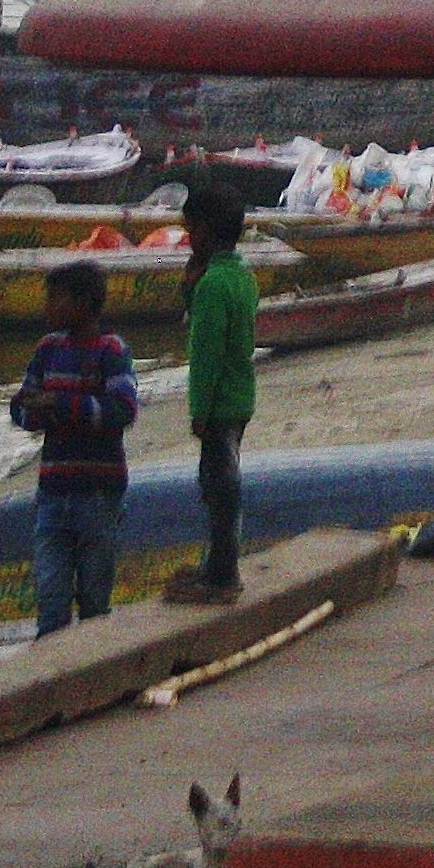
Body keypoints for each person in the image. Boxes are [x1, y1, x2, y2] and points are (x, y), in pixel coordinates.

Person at [12, 259, 141, 633]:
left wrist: (59, 405)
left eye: (56, 299)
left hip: (98, 495)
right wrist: (37, 412)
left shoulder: (111, 350)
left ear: (83, 303)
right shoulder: (48, 349)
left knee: (94, 599)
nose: (48, 307)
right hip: (53, 493)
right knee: (50, 597)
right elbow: (21, 407)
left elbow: (122, 410)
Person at [170, 183, 261, 603]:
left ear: (204, 230)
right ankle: (216, 568)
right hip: (240, 397)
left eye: (191, 231)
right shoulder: (240, 276)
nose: (188, 238)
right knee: (222, 486)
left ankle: (222, 576)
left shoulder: (213, 287)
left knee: (219, 490)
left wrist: (199, 411)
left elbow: (207, 354)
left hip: (219, 403)